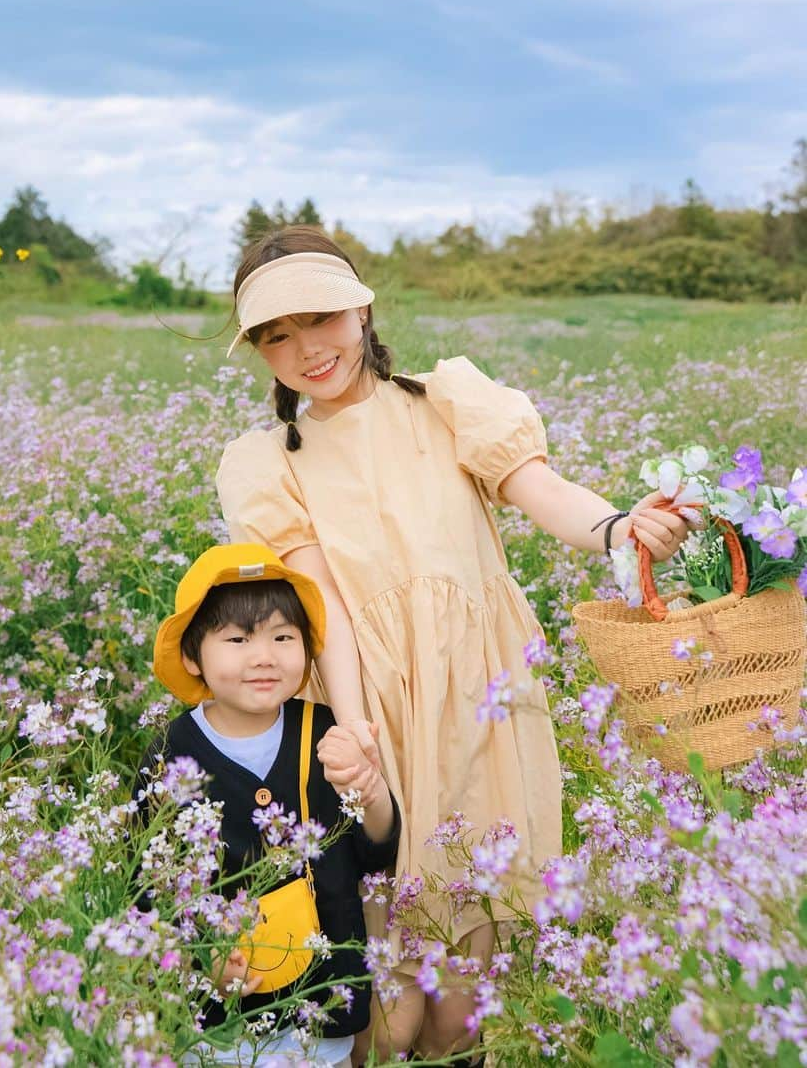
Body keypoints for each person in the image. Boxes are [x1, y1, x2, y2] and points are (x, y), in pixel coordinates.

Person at [215, 226, 690, 1061]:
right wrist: (355, 736)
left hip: (482, 693)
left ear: (362, 309)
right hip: (365, 700)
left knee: (467, 974)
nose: (304, 349)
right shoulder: (269, 459)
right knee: (388, 970)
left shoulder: (446, 401)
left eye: (319, 318)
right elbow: (322, 602)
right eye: (275, 336)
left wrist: (621, 528)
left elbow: (539, 490)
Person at [142, 543, 400, 1067]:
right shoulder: (170, 754)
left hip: (320, 1004)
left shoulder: (323, 731)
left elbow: (377, 851)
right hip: (222, 1017)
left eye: (284, 637)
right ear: (193, 657)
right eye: (237, 640)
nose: (264, 656)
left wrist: (370, 792)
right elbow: (147, 888)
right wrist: (199, 959)